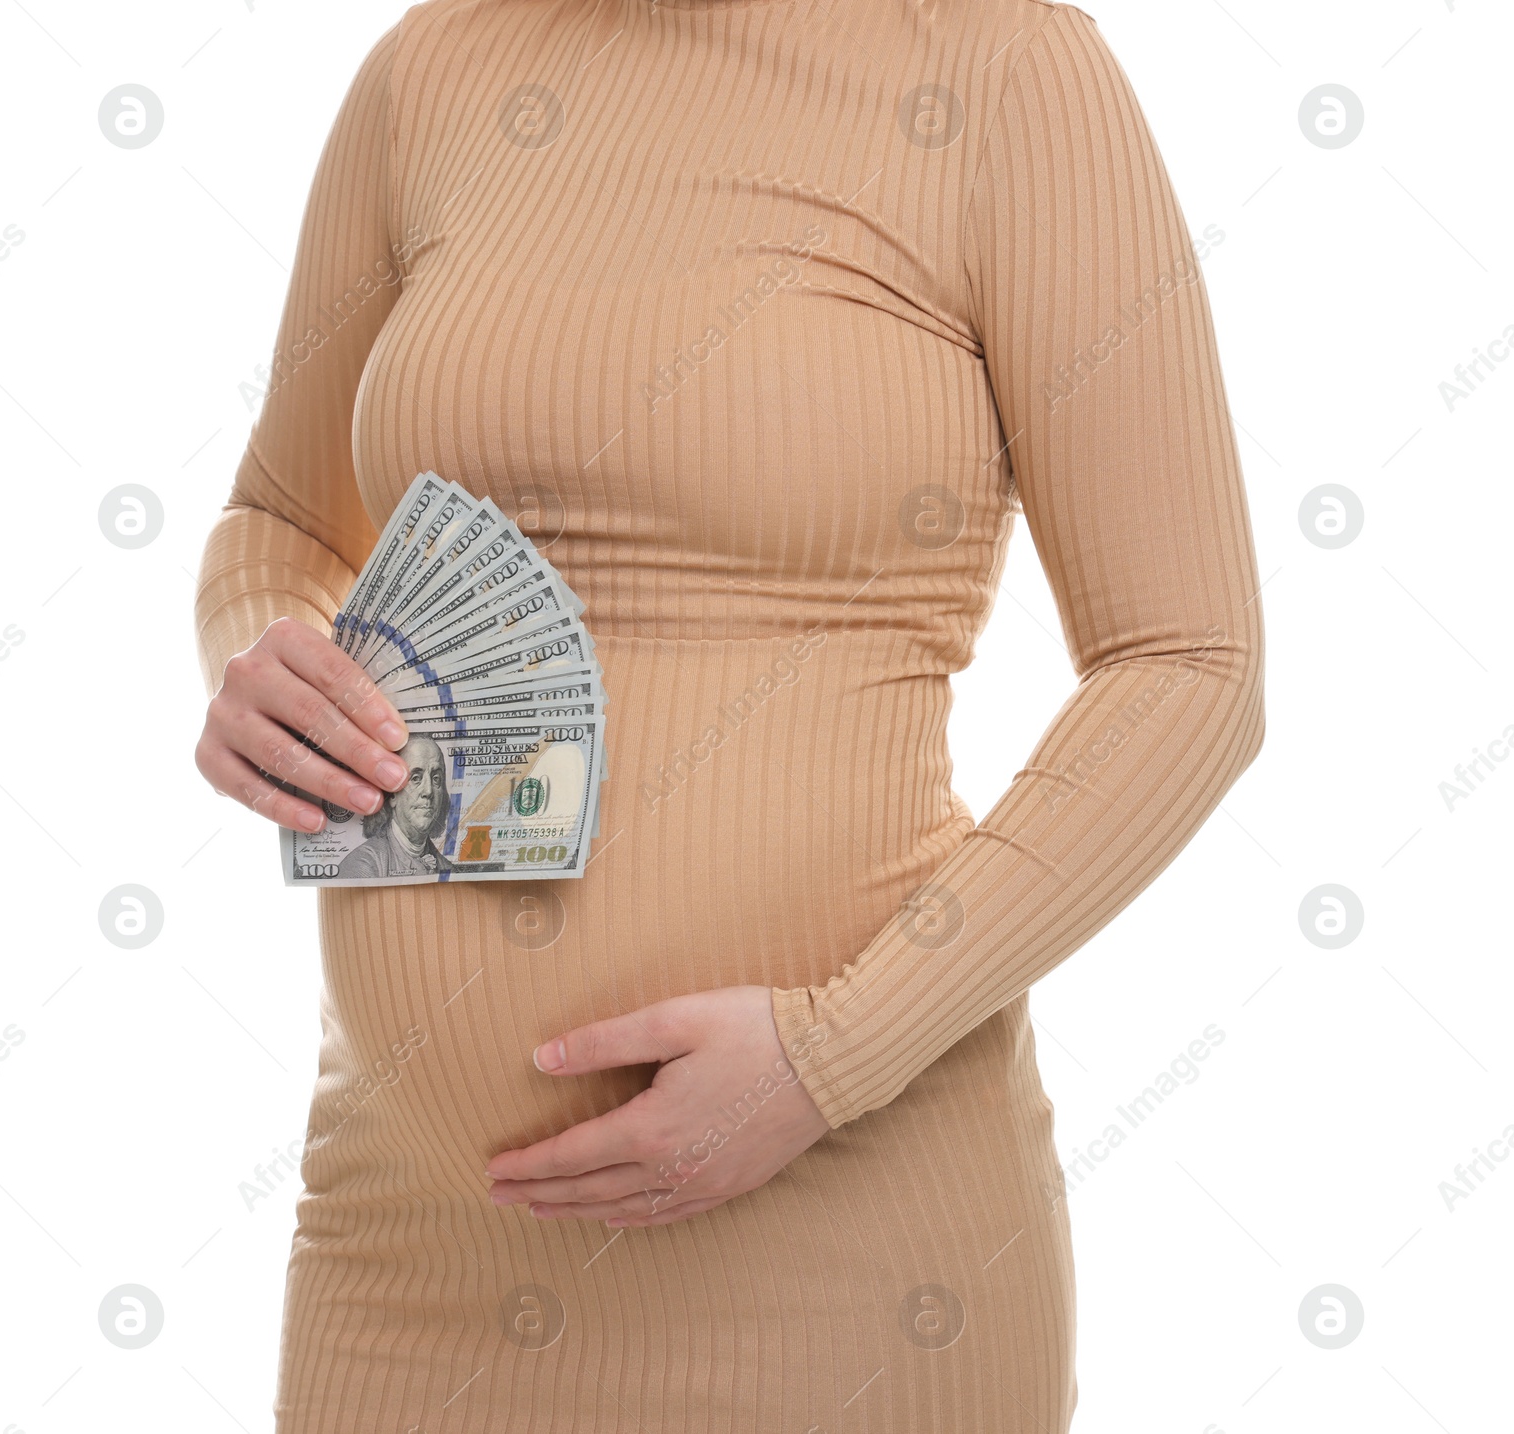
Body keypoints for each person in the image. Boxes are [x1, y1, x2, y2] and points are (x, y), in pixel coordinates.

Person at [192, 1, 1265, 1429]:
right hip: (408, 1237)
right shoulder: (429, 71)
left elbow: (1191, 665)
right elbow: (280, 514)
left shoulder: (1004, 67)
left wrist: (836, 1054)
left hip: (846, 1235)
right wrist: (259, 647)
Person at [334, 734, 455, 877]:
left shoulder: (449, 870)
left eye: (436, 779)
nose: (428, 791)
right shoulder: (362, 866)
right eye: (415, 778)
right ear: (392, 795)